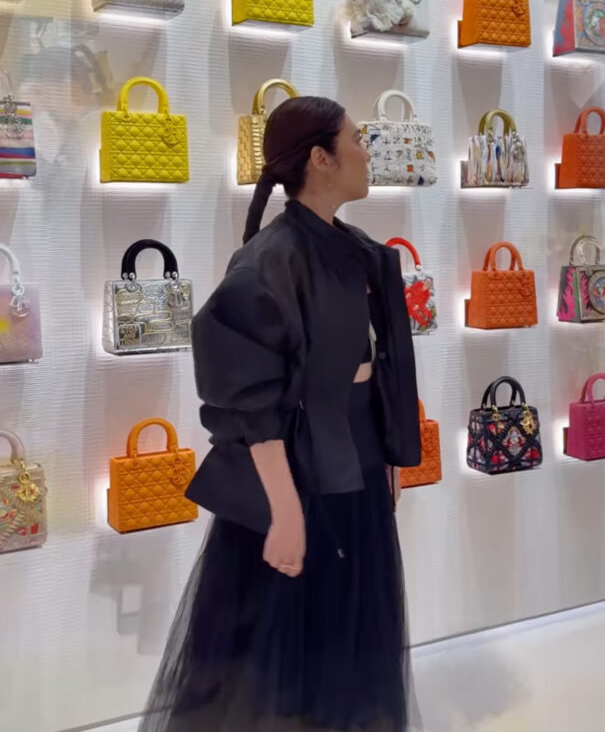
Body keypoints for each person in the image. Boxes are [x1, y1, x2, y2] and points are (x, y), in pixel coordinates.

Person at [139, 96, 423, 731]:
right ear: (321, 159)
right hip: (295, 473)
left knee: (347, 628)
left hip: (356, 458)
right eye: (357, 139)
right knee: (284, 642)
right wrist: (285, 508)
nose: (368, 151)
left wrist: (389, 451)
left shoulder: (360, 251)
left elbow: (378, 364)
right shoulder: (269, 260)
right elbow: (248, 401)